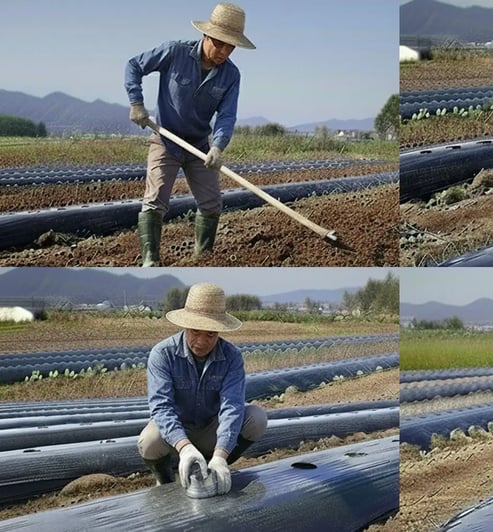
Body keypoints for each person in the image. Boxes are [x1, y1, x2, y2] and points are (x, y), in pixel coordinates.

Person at [124, 3, 256, 266]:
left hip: (198, 145)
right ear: (207, 36)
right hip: (166, 139)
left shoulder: (231, 75)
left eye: (231, 47)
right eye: (220, 44)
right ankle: (151, 261)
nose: (224, 52)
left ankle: (202, 259)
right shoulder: (175, 53)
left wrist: (217, 147)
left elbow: (227, 116)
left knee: (211, 203)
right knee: (155, 199)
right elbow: (133, 66)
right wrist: (136, 103)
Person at [137, 282, 268, 494]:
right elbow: (161, 407)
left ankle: (212, 466)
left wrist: (220, 456)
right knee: (149, 441)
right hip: (177, 429)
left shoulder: (231, 357)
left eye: (210, 334)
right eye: (196, 332)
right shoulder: (163, 354)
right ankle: (165, 481)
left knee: (257, 418)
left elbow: (232, 406)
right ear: (185, 326)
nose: (202, 341)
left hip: (210, 427)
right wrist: (184, 447)